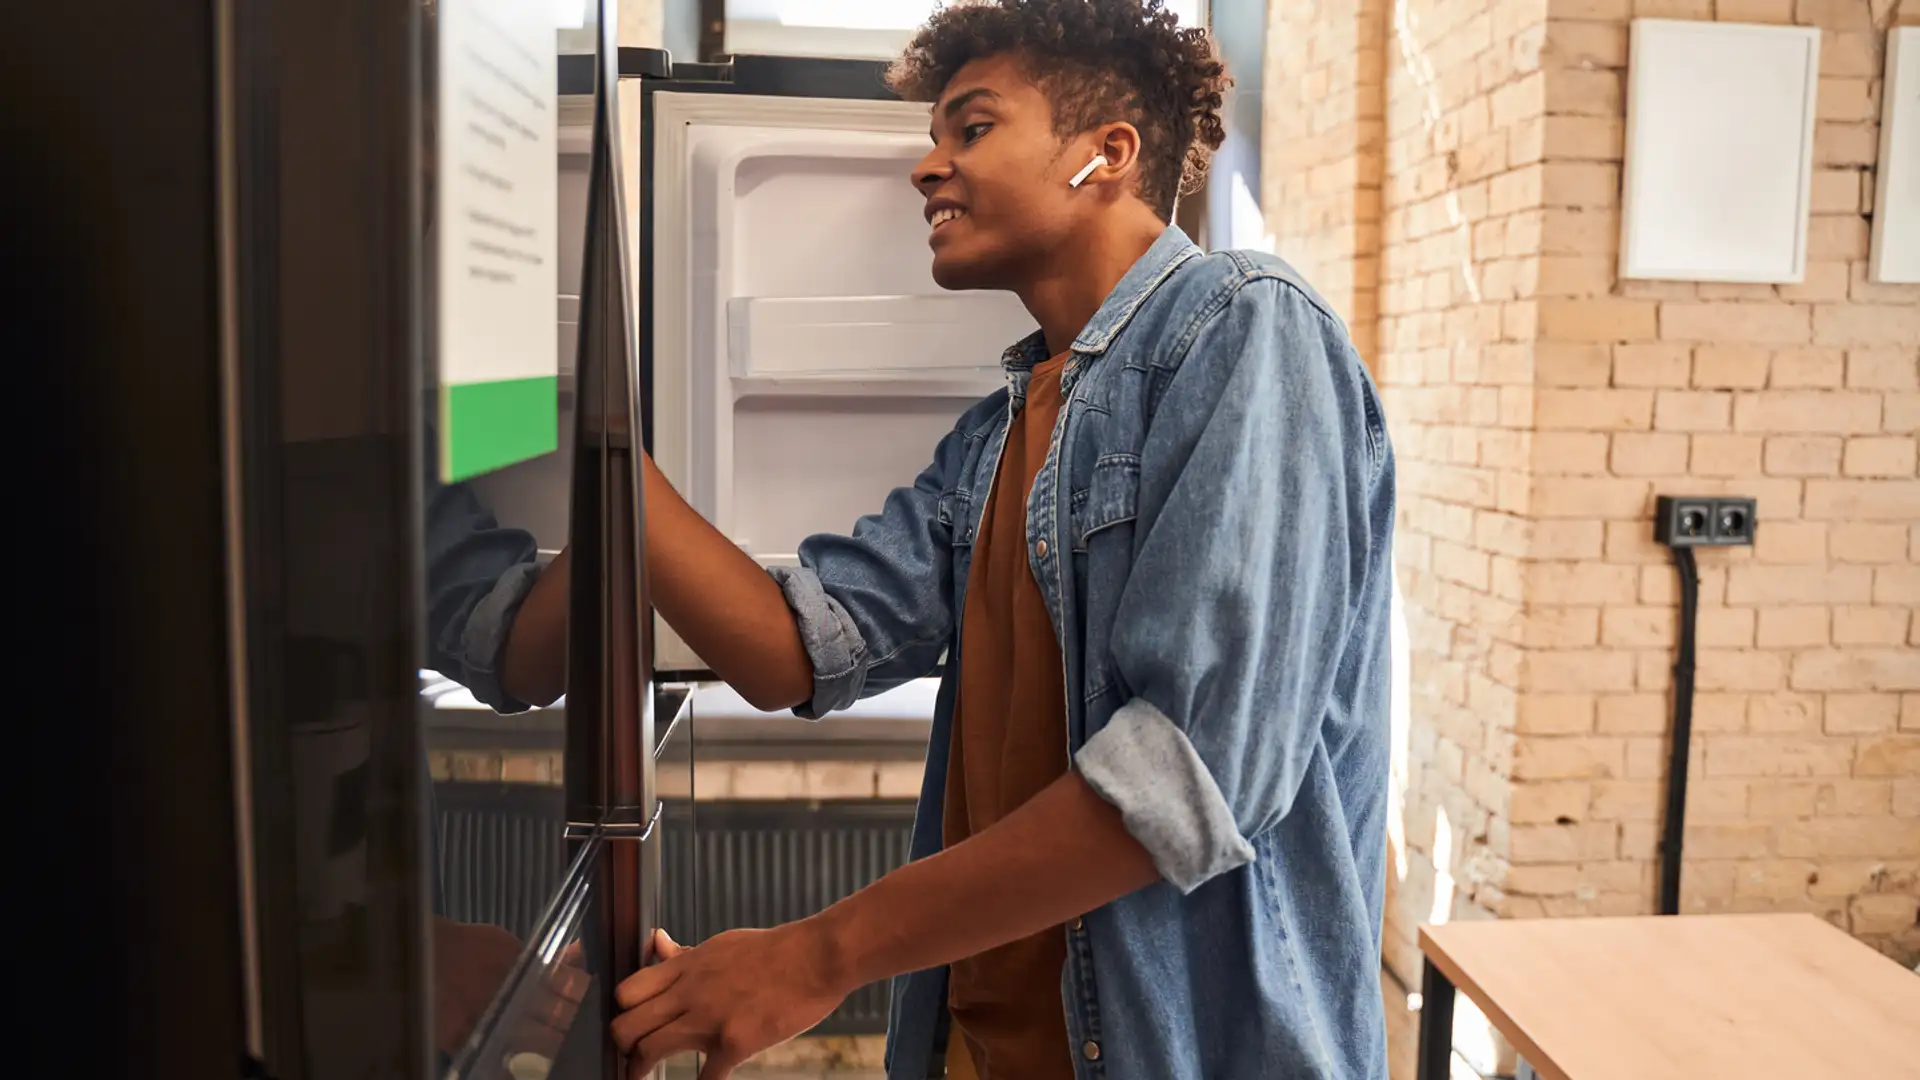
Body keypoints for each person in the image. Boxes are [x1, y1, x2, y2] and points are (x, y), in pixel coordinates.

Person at [607, 2, 1396, 1079]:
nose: (928, 170)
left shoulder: (1247, 329)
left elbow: (1186, 777)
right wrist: (595, 444)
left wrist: (815, 955)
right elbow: (794, 649)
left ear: (1104, 154)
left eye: (970, 130)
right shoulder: (999, 436)